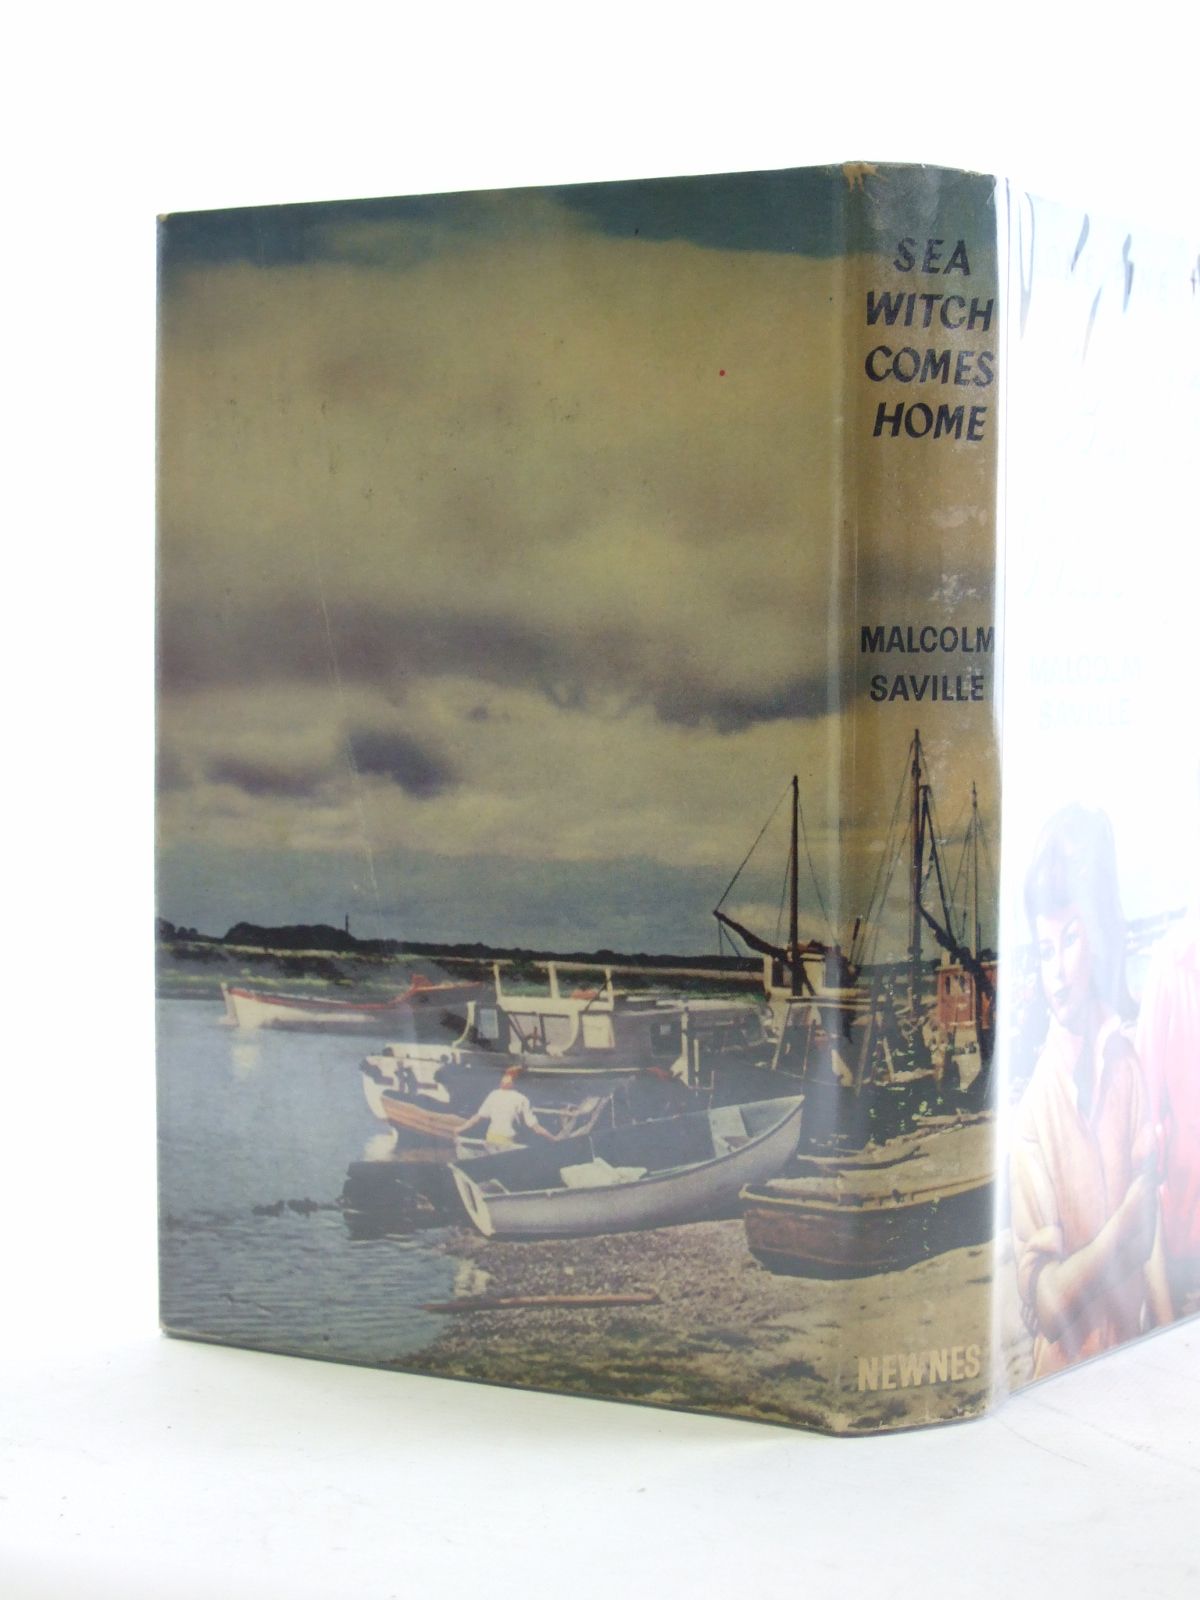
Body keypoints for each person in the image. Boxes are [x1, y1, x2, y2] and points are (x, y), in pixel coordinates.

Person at [1009, 805, 1173, 1379]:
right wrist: (1123, 1229)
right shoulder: (1033, 1112)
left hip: (1133, 1364)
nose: (1056, 970)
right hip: (1061, 1385)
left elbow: (1151, 1242)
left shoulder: (1127, 1066)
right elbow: (1049, 1304)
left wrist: (1171, 1340)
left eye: (1071, 939)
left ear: (1099, 937)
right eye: (1045, 949)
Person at [455, 1068, 559, 1150]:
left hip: (491, 1136)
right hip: (506, 1139)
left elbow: (477, 1117)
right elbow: (535, 1127)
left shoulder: (493, 1094)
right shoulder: (522, 1099)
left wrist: (460, 1129)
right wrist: (553, 1138)